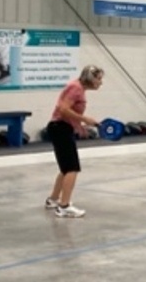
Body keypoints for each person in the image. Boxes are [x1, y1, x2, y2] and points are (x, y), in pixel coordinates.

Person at [44, 65, 103, 218]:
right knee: (72, 168)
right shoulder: (75, 87)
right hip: (60, 129)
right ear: (90, 78)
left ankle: (53, 200)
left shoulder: (79, 88)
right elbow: (63, 109)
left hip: (62, 128)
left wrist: (79, 126)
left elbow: (68, 112)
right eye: (99, 78)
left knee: (66, 168)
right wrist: (85, 119)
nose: (101, 82)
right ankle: (64, 206)